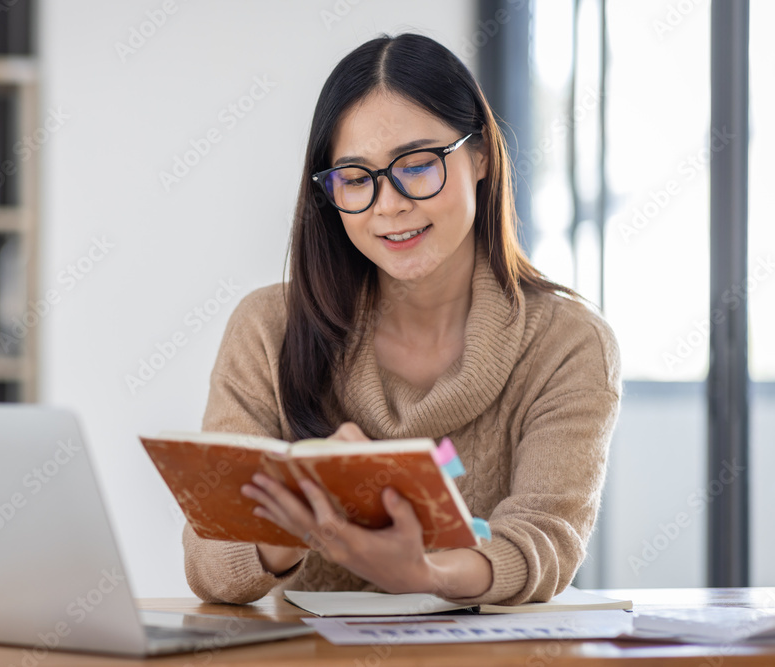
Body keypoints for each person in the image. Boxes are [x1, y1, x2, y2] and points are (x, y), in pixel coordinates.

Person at [182, 32, 621, 606]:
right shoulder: (270, 327)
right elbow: (210, 563)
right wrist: (303, 515)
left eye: (416, 165)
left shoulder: (568, 342)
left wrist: (428, 576)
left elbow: (545, 539)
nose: (389, 205)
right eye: (357, 179)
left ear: (482, 154)